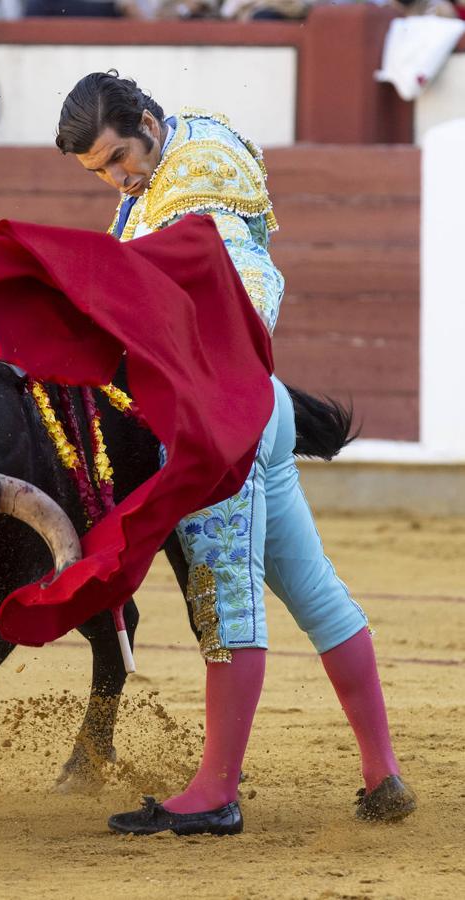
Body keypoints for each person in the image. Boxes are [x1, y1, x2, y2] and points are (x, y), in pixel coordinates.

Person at [54, 71, 416, 836]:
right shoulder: (189, 147)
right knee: (314, 593)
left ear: (147, 121)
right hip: (259, 407)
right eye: (102, 171)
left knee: (225, 598)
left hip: (224, 416)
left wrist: (213, 380)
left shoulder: (196, 183)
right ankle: (381, 772)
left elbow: (247, 284)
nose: (120, 176)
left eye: (120, 156)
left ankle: (216, 791)